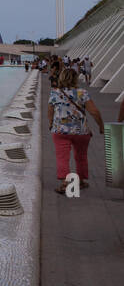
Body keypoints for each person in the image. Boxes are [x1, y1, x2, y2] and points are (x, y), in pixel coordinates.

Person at [48, 64, 102, 194]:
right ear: (75, 79)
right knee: (81, 156)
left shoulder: (55, 93)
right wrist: (101, 125)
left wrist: (51, 124)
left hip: (60, 131)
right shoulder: (82, 93)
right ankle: (81, 181)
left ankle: (66, 182)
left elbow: (50, 111)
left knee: (62, 157)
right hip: (81, 131)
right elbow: (94, 111)